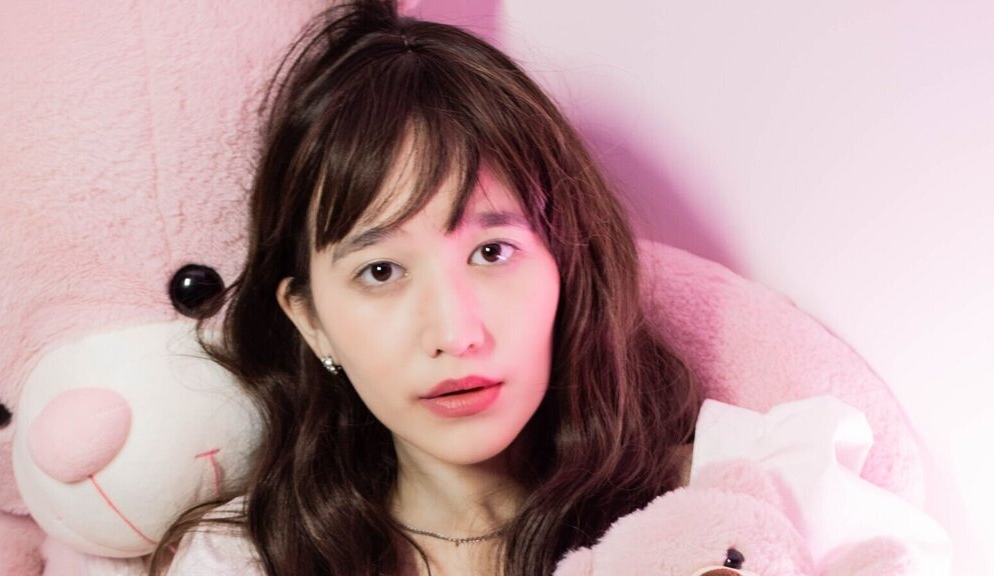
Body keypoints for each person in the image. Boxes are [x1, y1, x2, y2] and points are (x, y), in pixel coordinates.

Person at [151, 1, 700, 574]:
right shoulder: (241, 562)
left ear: (567, 266)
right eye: (381, 272)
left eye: (492, 252)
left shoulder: (715, 504)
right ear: (310, 321)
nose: (454, 334)